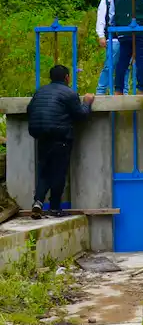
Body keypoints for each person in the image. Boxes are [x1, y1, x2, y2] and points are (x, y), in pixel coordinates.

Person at [26, 65, 95, 218]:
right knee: (58, 172)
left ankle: (38, 201)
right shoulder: (69, 93)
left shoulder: (40, 92)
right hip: (60, 137)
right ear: (67, 77)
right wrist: (87, 102)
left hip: (41, 136)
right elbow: (81, 115)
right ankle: (55, 207)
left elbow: (30, 109)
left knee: (44, 171)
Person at [96, 0, 129, 95]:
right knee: (109, 66)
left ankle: (123, 92)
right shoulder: (107, 0)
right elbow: (101, 19)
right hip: (113, 38)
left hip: (126, 38)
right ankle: (101, 91)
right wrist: (101, 35)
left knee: (125, 67)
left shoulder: (130, 1)